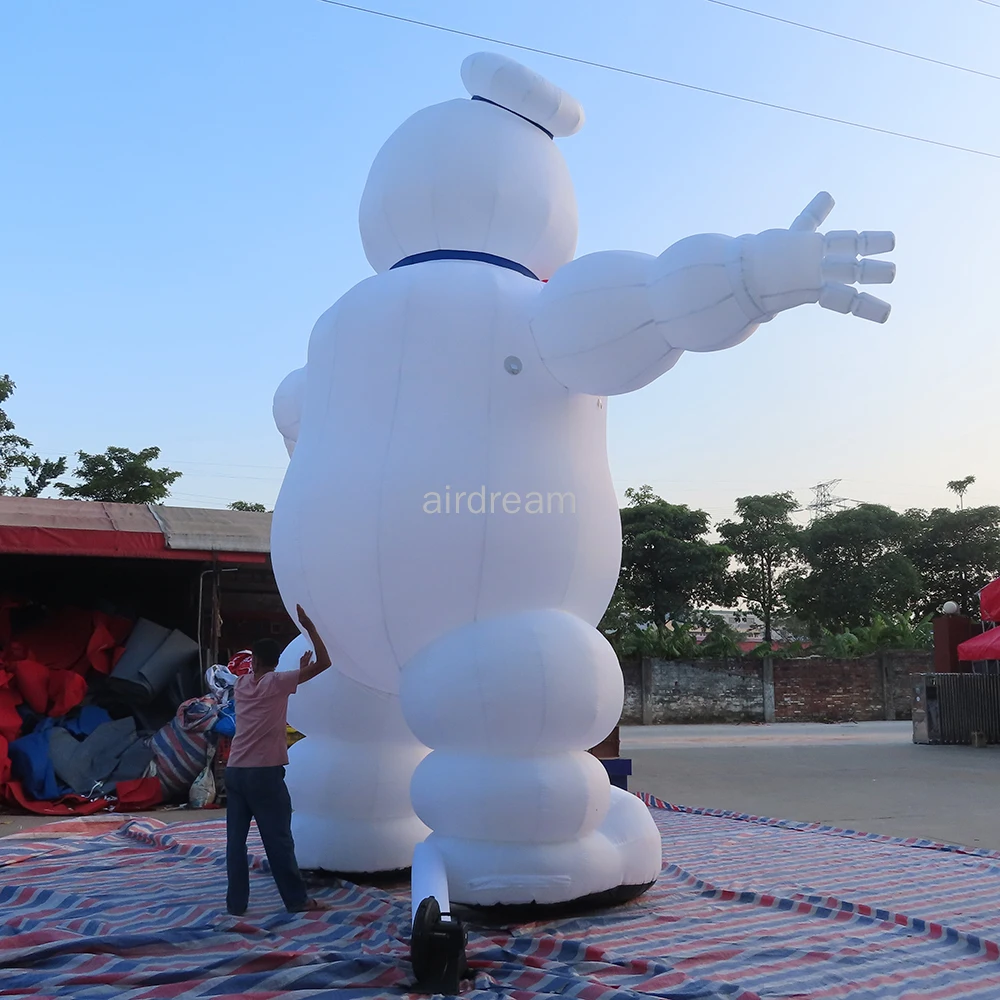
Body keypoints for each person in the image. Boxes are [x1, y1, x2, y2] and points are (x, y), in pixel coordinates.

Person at [225, 604, 332, 915]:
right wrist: (310, 628)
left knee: (235, 843)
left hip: (235, 772)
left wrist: (297, 669)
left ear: (254, 661)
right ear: (274, 663)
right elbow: (325, 663)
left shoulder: (242, 685)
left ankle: (236, 904)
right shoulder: (278, 683)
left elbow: (261, 677)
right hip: (264, 774)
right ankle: (297, 900)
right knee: (278, 840)